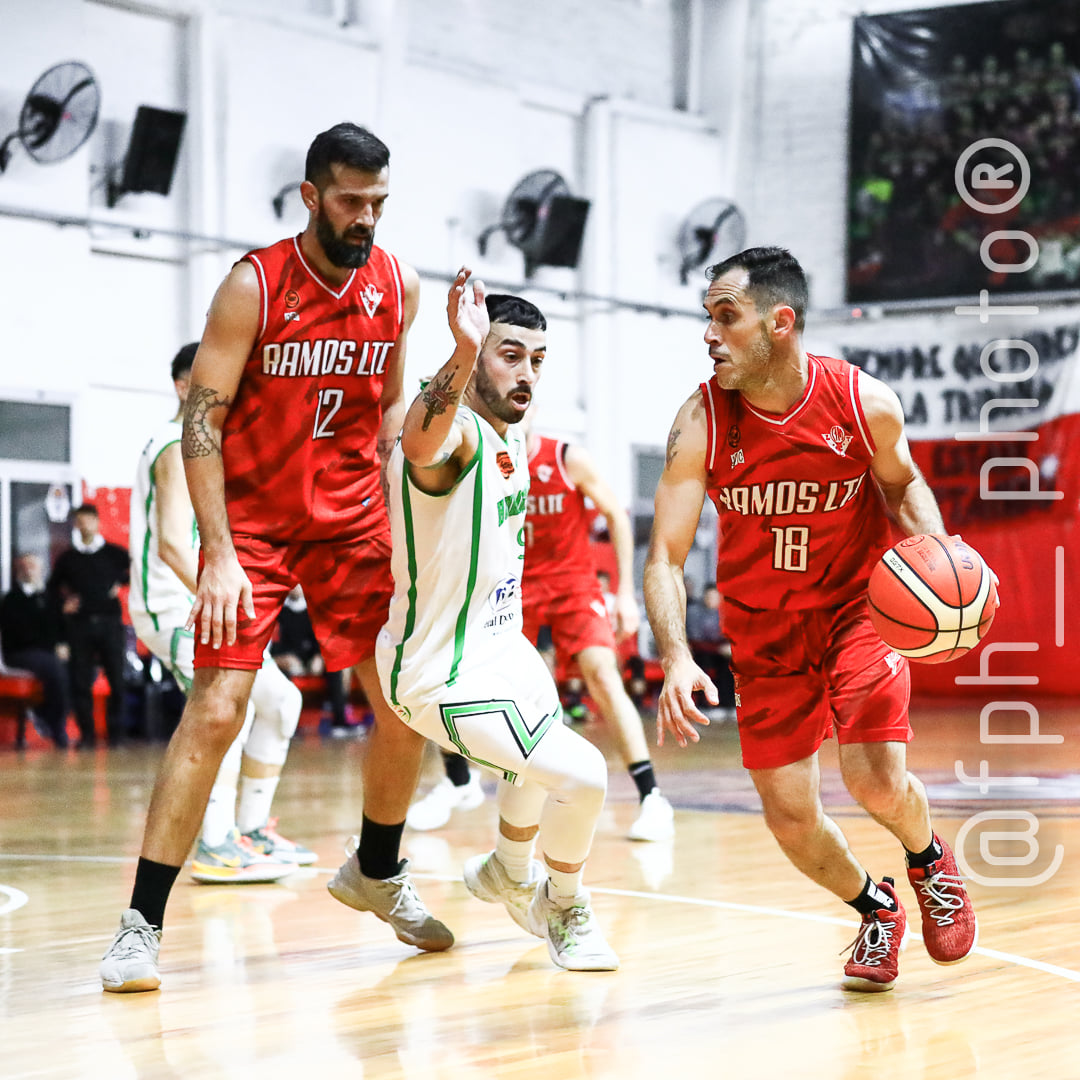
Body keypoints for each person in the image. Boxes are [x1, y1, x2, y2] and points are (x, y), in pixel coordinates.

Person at [100, 122, 446, 994]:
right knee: (217, 708)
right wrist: (217, 552)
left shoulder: (398, 283)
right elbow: (201, 421)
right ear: (311, 196)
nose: (366, 217)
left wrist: (397, 505)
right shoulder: (253, 284)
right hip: (254, 524)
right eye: (351, 200)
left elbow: (390, 406)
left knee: (404, 702)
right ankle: (140, 927)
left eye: (378, 202)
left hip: (352, 523)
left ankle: (377, 869)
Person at [643, 246, 978, 993]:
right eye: (708, 317)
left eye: (726, 316)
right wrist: (675, 656)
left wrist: (940, 561)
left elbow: (904, 485)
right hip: (762, 631)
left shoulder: (863, 403)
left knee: (875, 779)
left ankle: (930, 863)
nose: (709, 334)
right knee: (790, 817)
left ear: (780, 322)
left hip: (857, 612)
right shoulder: (701, 421)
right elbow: (664, 555)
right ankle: (876, 908)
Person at [373, 274, 618, 972]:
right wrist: (461, 348)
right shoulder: (456, 438)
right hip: (439, 671)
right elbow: (419, 443)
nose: (527, 372)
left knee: (543, 759)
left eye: (537, 359)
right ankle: (563, 905)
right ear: (478, 356)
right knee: (585, 775)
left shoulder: (513, 437)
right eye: (510, 355)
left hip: (501, 646)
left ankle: (508, 868)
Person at [407, 416, 675, 842]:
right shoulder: (481, 456)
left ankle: (651, 796)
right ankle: (459, 781)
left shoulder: (566, 458)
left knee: (602, 675)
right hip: (514, 589)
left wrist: (625, 593)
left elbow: (616, 516)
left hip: (573, 585)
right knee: (459, 675)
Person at [127, 342, 312, 886]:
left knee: (281, 701)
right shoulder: (172, 445)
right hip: (171, 605)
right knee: (228, 707)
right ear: (183, 386)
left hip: (203, 602)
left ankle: (250, 830)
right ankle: (214, 843)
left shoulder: (212, 447)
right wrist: (228, 598)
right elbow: (172, 545)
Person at [49, 504, 129, 748]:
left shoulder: (115, 553)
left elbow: (135, 571)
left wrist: (120, 583)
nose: (84, 525)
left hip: (110, 623)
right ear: (75, 524)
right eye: (80, 521)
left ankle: (116, 734)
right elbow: (52, 589)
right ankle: (87, 735)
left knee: (117, 680)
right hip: (80, 625)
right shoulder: (68, 559)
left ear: (97, 522)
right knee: (80, 681)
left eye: (88, 520)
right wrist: (64, 604)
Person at [0, 552, 70, 747]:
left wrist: (62, 644)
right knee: (53, 667)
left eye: (33, 566)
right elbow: (19, 634)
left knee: (78, 668)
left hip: (47, 652)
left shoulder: (51, 598)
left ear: (41, 569)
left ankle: (44, 713)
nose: (29, 570)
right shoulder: (11, 600)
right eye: (25, 566)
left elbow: (59, 627)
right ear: (18, 571)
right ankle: (56, 727)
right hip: (20, 653)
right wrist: (50, 645)